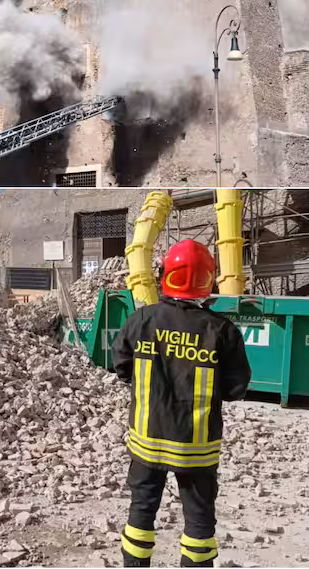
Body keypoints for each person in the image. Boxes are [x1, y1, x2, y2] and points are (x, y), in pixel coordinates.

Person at [111, 239, 252, 569]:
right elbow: (235, 388)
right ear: (208, 280)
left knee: (141, 511)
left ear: (166, 275)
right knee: (199, 520)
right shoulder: (221, 330)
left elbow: (121, 367)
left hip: (147, 442)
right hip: (197, 448)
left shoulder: (142, 320)